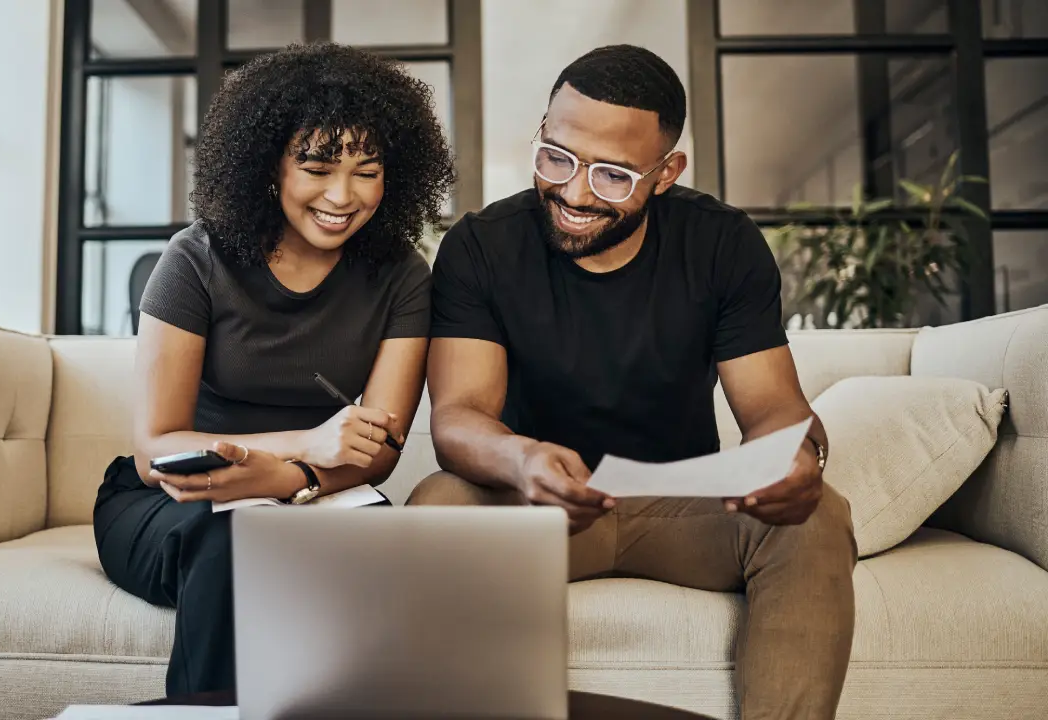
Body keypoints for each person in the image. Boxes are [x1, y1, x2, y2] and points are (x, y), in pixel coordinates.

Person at [410, 44, 856, 720]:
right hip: (537, 508)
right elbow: (459, 417)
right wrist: (522, 459)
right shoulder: (481, 246)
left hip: (683, 508)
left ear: (666, 171)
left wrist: (796, 456)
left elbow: (772, 409)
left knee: (819, 513)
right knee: (439, 501)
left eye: (613, 176)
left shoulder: (722, 244)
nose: (574, 192)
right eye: (556, 157)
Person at [93, 42, 455, 696]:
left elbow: (377, 451)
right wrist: (303, 445)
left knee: (382, 556)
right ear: (269, 167)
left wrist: (290, 477)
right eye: (316, 167)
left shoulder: (402, 275)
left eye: (367, 170)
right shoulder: (195, 260)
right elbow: (156, 450)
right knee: (241, 535)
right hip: (175, 501)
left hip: (322, 493)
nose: (342, 196)